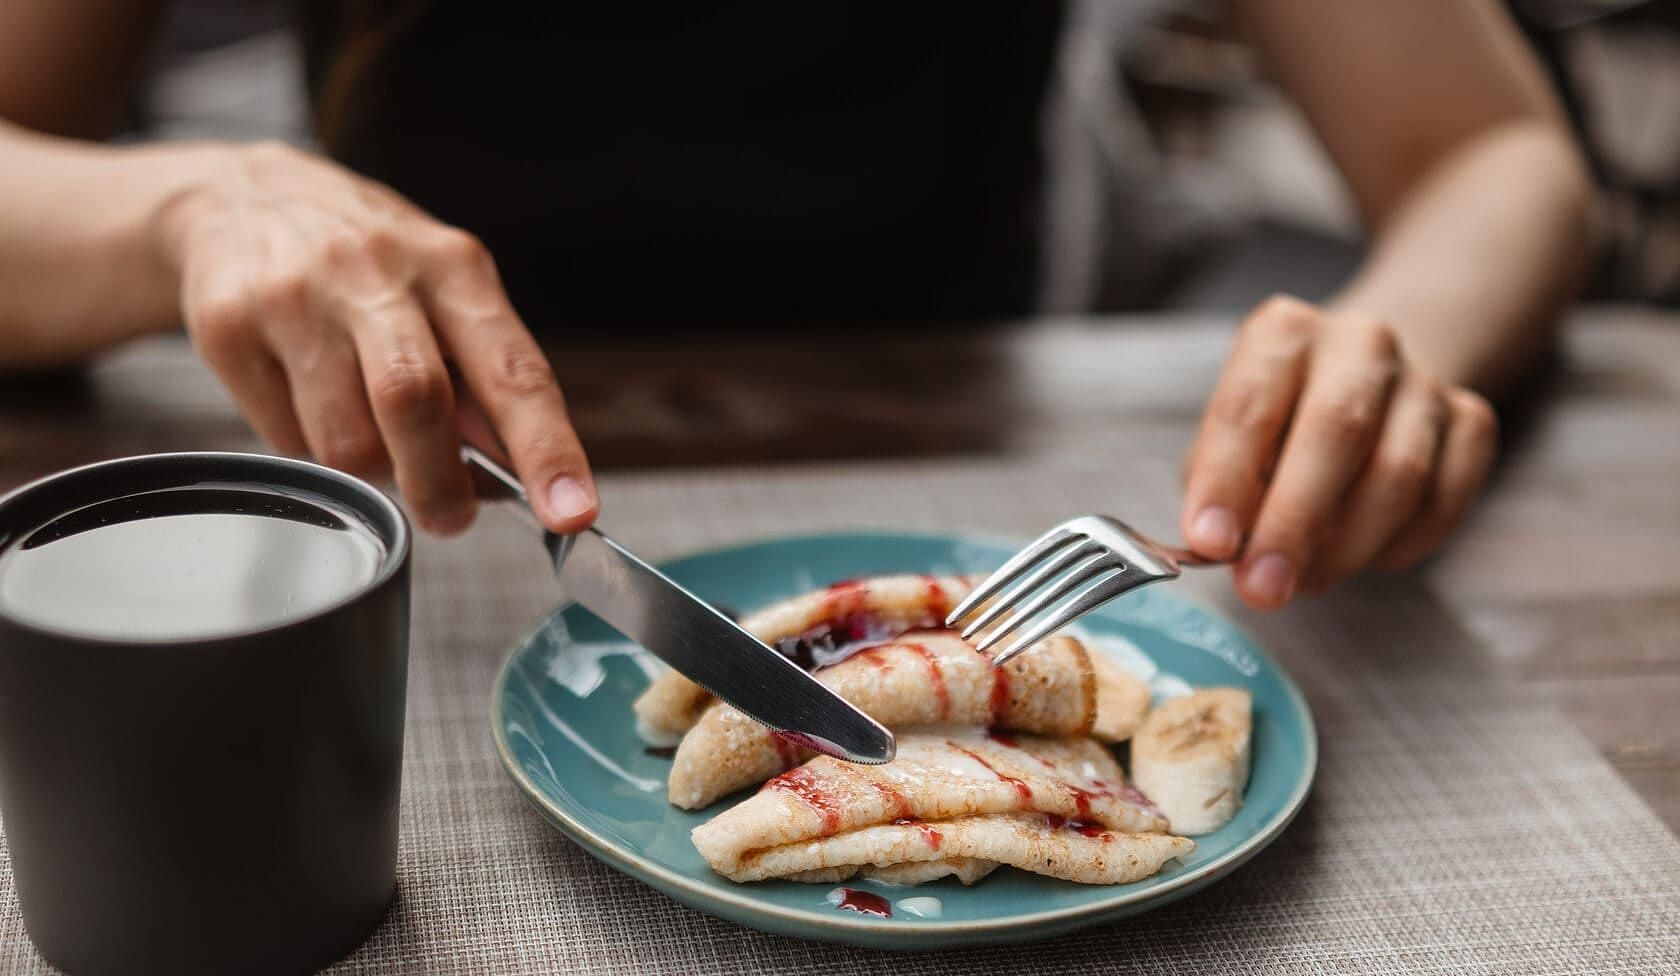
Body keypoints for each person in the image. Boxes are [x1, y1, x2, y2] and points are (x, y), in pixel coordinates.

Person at [0, 2, 1593, 609]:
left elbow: (1493, 148)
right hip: (426, 493)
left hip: (987, 427)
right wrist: (193, 205)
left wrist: (1400, 340)